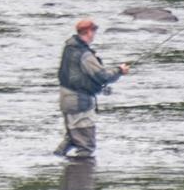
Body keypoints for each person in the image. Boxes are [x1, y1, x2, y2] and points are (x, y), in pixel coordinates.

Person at [54, 17, 129, 159]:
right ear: (88, 32)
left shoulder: (69, 48)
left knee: (72, 138)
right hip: (79, 102)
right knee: (86, 145)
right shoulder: (85, 54)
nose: (94, 35)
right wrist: (119, 70)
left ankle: (56, 164)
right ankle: (82, 177)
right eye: (94, 32)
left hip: (66, 100)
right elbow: (103, 76)